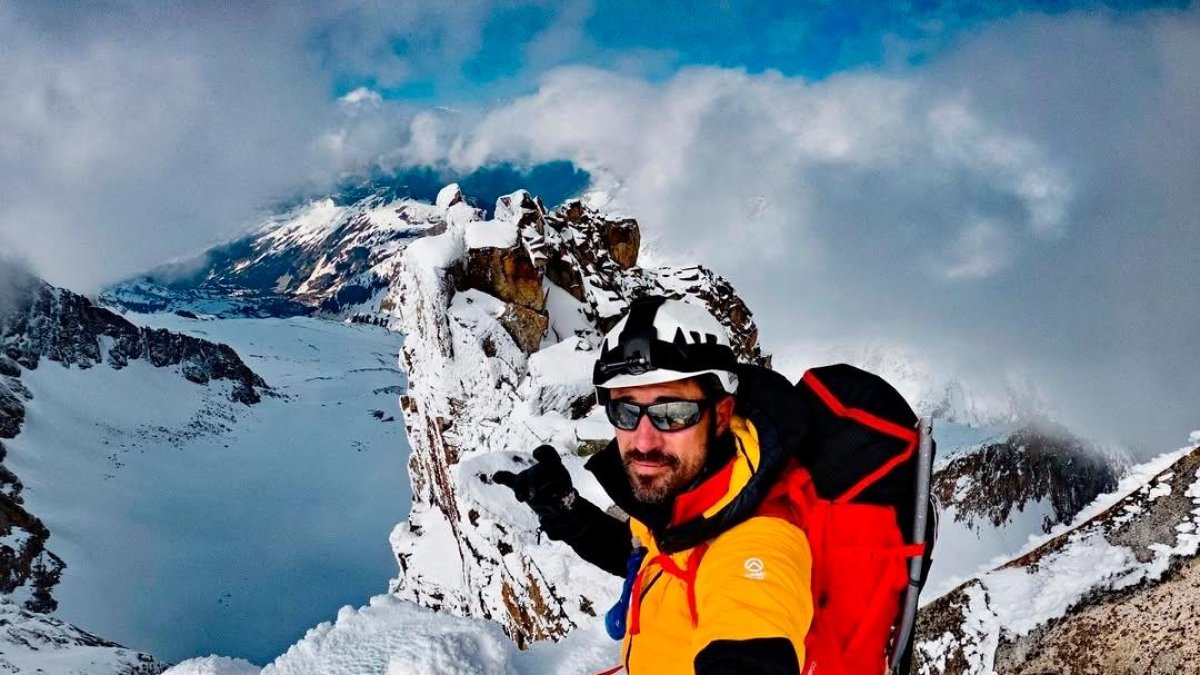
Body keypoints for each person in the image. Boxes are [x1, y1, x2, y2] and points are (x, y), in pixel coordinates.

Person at [494, 295, 813, 675]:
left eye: (672, 413)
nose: (643, 441)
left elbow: (751, 626)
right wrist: (566, 511)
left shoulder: (757, 539)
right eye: (626, 411)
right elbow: (646, 553)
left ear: (722, 415)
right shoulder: (689, 497)